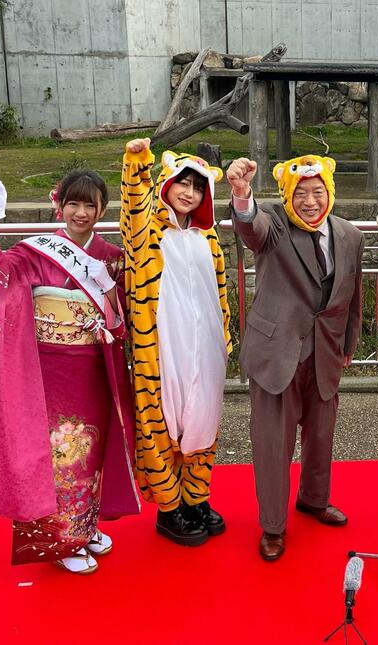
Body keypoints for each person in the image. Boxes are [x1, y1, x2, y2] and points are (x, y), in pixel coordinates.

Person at [0, 171, 139, 574]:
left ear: (102, 209)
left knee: (94, 452)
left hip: (95, 368)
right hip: (49, 370)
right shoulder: (35, 254)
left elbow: (123, 322)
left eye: (90, 205)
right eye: (73, 203)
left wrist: (108, 291)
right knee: (63, 456)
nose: (81, 212)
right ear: (58, 204)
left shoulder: (110, 257)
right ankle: (61, 541)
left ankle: (85, 527)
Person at [225, 154, 364, 561]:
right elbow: (252, 228)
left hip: (325, 352)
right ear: (287, 195)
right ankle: (272, 525)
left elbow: (351, 299)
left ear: (330, 193)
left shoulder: (350, 235)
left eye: (317, 192)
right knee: (273, 443)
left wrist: (348, 345)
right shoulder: (275, 222)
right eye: (300, 193)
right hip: (277, 353)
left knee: (321, 437)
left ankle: (314, 500)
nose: (309, 201)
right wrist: (241, 194)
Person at [120, 138, 231, 546]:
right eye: (183, 183)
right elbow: (133, 204)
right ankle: (169, 509)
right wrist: (136, 162)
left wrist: (226, 339)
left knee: (203, 423)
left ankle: (196, 498)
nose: (189, 192)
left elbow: (220, 292)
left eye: (198, 186)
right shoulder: (146, 232)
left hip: (206, 348)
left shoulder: (208, 238)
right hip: (161, 350)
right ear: (166, 184)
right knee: (162, 427)